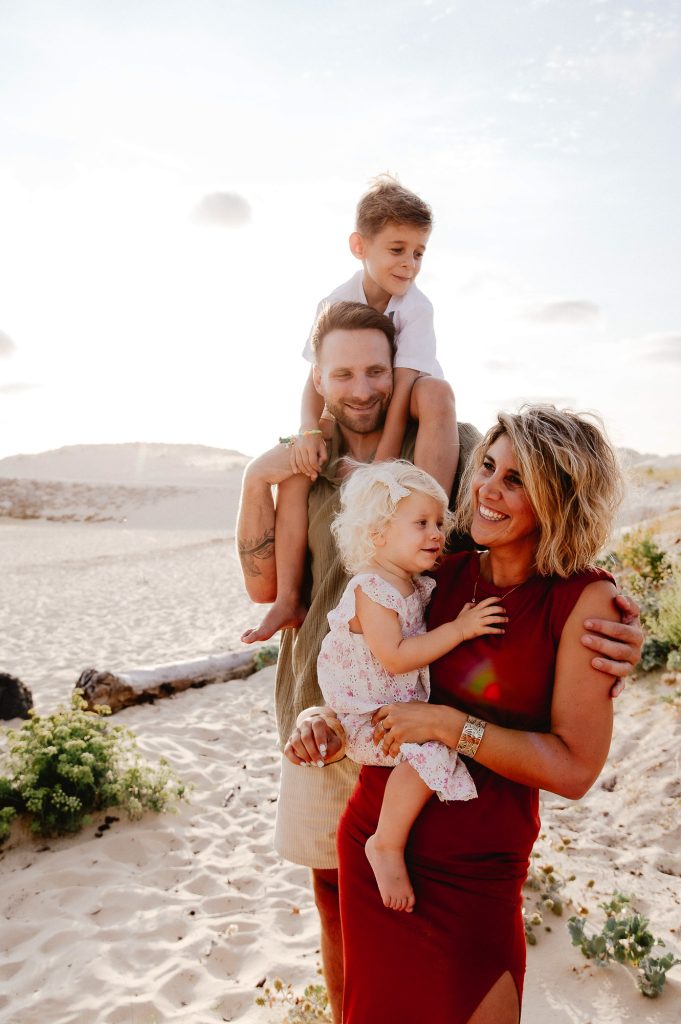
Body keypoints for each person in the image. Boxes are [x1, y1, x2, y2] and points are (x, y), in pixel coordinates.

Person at [236, 305, 644, 1024]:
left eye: (517, 480)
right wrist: (320, 717)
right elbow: (371, 665)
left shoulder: (585, 602)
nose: (487, 488)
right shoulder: (439, 569)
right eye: (487, 465)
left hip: (477, 871)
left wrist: (451, 727)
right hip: (377, 846)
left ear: (560, 498)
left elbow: (574, 769)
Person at [242, 175, 458, 645]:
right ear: (360, 246)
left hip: (408, 392)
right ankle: (290, 596)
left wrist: (380, 466)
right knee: (302, 461)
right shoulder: (335, 302)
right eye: (397, 250)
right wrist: (307, 432)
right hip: (349, 401)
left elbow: (401, 385)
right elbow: (315, 378)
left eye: (419, 252)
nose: (410, 263)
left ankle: (424, 509)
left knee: (437, 393)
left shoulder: (416, 309)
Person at [318, 461, 506, 912]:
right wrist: (460, 631)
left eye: (439, 523)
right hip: (369, 718)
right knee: (431, 750)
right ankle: (386, 842)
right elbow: (396, 656)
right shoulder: (372, 588)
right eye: (420, 523)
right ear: (378, 534)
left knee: (435, 742)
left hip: (391, 709)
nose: (436, 534)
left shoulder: (412, 584)